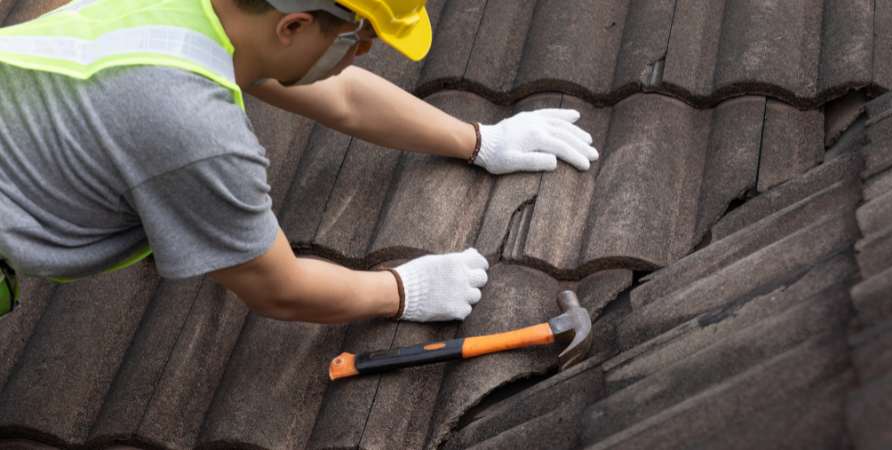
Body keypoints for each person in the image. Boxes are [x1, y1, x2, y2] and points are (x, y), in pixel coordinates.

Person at [0, 0, 598, 323]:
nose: (360, 55)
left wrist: (478, 138)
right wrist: (400, 289)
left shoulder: (191, 15)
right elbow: (278, 288)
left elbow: (342, 97)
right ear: (293, 24)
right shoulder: (193, 129)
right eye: (357, 39)